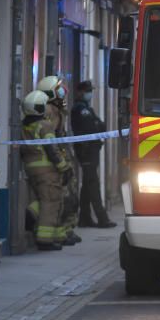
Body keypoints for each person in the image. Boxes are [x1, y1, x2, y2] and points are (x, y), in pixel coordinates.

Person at [20, 90, 72, 250]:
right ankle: (44, 240)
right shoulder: (45, 125)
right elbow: (52, 149)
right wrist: (64, 167)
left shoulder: (24, 126)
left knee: (44, 199)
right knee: (51, 201)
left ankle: (34, 213)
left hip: (30, 169)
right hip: (47, 169)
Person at [37, 75, 82, 245]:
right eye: (60, 91)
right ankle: (60, 233)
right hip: (53, 162)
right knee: (62, 199)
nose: (64, 94)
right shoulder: (48, 111)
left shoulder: (58, 111)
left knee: (70, 198)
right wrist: (61, 164)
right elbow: (50, 138)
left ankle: (66, 230)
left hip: (62, 156)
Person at [70, 80, 116, 228]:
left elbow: (101, 125)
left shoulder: (87, 109)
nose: (90, 93)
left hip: (91, 150)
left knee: (87, 186)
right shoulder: (80, 109)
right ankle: (102, 218)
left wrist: (97, 125)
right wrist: (96, 125)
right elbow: (92, 127)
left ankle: (84, 218)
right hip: (86, 150)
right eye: (87, 91)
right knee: (93, 184)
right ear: (80, 92)